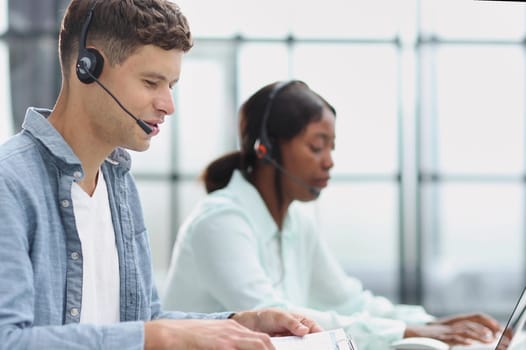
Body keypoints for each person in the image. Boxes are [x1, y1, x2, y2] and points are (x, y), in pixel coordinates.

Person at [0, 2, 322, 349]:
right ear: (88, 69)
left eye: (170, 86)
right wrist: (152, 336)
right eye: (151, 82)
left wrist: (240, 323)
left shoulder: (118, 185)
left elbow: (142, 323)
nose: (168, 105)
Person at [161, 80, 502, 350]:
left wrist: (435, 324)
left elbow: (349, 300)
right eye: (316, 145)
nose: (329, 161)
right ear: (266, 148)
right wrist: (410, 330)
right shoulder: (220, 222)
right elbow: (278, 318)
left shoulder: (297, 224)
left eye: (331, 146)